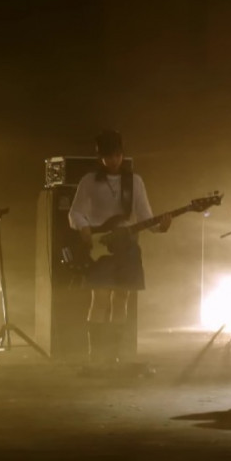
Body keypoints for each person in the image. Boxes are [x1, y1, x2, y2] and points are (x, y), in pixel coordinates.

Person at [68, 130, 171, 369]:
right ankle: (96, 358)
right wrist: (83, 227)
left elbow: (144, 216)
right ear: (100, 157)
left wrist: (161, 228)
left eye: (117, 155)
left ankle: (115, 356)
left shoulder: (135, 181)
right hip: (101, 245)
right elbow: (75, 212)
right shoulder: (89, 181)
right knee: (100, 298)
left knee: (122, 299)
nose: (113, 160)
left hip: (127, 246)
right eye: (108, 156)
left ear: (122, 154)